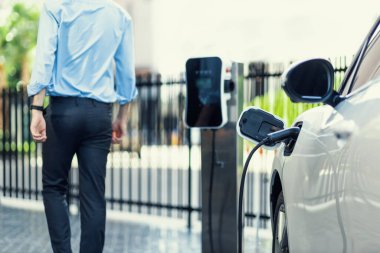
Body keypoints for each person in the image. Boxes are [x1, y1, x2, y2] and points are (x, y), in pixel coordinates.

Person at [27, 0, 137, 252]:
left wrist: (36, 108)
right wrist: (122, 116)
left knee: (54, 187)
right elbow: (126, 73)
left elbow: (45, 59)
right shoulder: (120, 16)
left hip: (63, 113)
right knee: (94, 195)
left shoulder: (55, 7)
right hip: (100, 114)